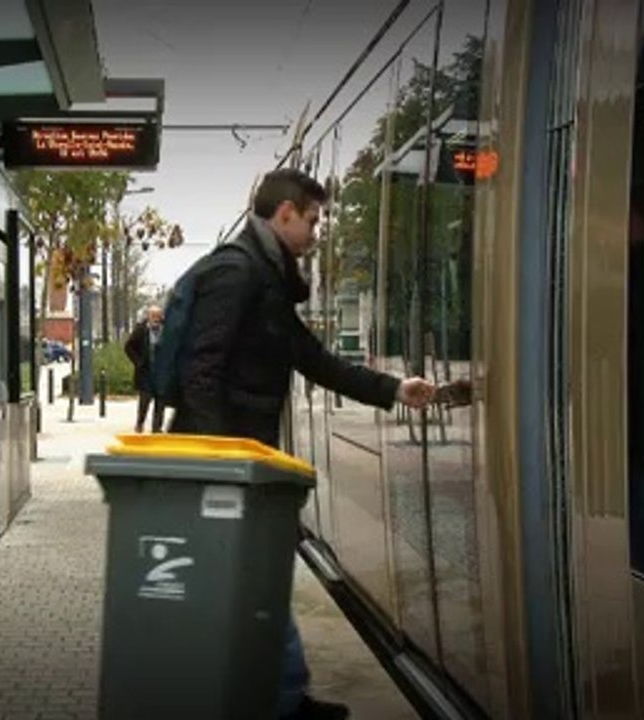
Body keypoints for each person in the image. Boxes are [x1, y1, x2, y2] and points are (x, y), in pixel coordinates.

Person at [169, 168, 435, 720]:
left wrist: (394, 390)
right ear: (283, 214)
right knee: (257, 575)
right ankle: (278, 700)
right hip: (230, 466)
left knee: (259, 576)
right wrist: (224, 466)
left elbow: (315, 360)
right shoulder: (238, 273)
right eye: (312, 221)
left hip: (248, 462)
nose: (318, 233)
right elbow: (200, 373)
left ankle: (278, 696)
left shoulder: (266, 280)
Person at [124, 304, 167, 433]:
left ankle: (157, 427)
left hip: (161, 372)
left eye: (158, 316)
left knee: (160, 402)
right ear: (148, 316)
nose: (155, 319)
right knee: (144, 401)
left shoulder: (166, 330)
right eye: (153, 316)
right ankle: (140, 423)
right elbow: (128, 347)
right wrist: (138, 362)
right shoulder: (141, 330)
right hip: (146, 372)